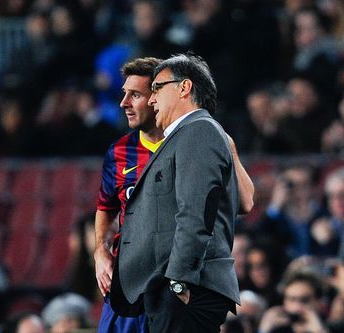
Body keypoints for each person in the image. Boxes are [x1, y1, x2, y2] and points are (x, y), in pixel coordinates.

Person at [95, 56, 254, 332]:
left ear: (183, 89)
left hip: (172, 283)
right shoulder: (121, 152)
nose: (125, 103)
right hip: (140, 286)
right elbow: (107, 207)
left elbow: (210, 211)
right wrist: (101, 250)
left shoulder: (199, 134)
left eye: (146, 92)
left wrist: (179, 282)